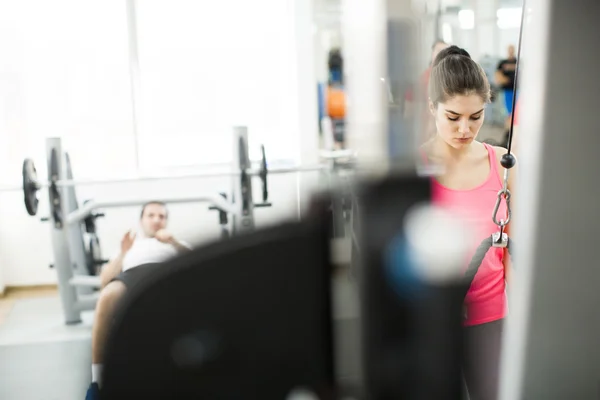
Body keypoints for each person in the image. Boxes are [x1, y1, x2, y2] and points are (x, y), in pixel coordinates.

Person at [421, 45, 516, 400]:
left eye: (475, 117)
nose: (465, 129)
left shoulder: (504, 167)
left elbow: (514, 255)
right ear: (433, 108)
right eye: (453, 117)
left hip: (491, 319)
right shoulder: (415, 172)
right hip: (432, 323)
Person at [85, 201, 191, 400]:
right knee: (107, 295)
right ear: (142, 220)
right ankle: (98, 381)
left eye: (161, 216)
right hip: (132, 276)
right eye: (151, 215)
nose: (156, 220)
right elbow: (104, 281)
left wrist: (173, 242)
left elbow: (198, 265)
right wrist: (124, 252)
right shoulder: (130, 247)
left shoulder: (177, 244)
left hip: (166, 273)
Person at [405, 39, 450, 143]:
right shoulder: (424, 78)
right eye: (439, 51)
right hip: (427, 131)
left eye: (446, 51)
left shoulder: (450, 77)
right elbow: (409, 104)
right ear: (432, 53)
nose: (442, 54)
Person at [495, 45, 518, 137]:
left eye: (512, 49)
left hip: (517, 91)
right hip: (507, 91)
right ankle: (508, 132)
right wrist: (507, 80)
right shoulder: (502, 63)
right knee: (509, 113)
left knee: (516, 112)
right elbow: (498, 76)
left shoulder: (518, 62)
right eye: (509, 49)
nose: (511, 51)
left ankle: (513, 132)